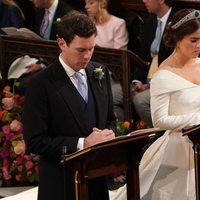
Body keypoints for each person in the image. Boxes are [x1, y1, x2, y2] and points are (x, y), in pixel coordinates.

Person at [23, 10, 116, 200]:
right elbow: (35, 141)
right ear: (61, 44)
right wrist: (83, 143)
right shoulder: (40, 84)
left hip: (97, 182)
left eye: (92, 48)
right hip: (61, 184)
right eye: (81, 50)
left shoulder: (100, 72)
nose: (88, 56)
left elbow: (110, 120)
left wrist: (108, 134)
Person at [109, 8, 200, 200]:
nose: (199, 45)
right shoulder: (163, 76)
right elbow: (160, 120)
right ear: (177, 39)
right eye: (193, 40)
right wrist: (197, 119)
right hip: (181, 147)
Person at [132, 0, 175, 127]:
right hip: (146, 78)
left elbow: (174, 62)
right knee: (113, 94)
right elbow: (142, 56)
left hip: (165, 81)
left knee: (140, 101)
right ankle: (123, 131)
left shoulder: (177, 21)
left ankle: (160, 133)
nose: (143, 0)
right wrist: (137, 81)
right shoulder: (149, 21)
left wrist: (151, 85)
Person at [85, 0, 129, 121]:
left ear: (102, 4)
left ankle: (118, 129)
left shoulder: (118, 24)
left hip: (114, 76)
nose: (86, 7)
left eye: (90, 3)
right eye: (85, 3)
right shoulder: (88, 24)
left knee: (101, 96)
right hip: (89, 73)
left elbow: (119, 57)